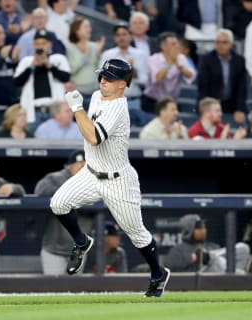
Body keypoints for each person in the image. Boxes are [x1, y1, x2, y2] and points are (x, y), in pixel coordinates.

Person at [50, 58, 171, 297]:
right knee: (58, 203)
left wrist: (76, 108)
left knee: (137, 235)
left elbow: (94, 137)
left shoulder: (118, 108)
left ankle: (158, 273)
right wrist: (80, 109)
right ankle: (82, 242)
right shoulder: (96, 96)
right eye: (102, 76)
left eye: (110, 78)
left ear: (122, 85)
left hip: (118, 180)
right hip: (91, 172)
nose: (103, 81)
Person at [34, 149, 94, 275]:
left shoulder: (95, 181)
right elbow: (40, 190)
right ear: (69, 166)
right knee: (53, 290)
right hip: (54, 251)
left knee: (75, 291)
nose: (84, 167)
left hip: (79, 251)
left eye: (87, 164)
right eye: (80, 164)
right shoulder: (56, 178)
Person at [164, 214, 252, 274]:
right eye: (200, 228)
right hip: (201, 280)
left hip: (222, 277)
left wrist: (206, 258)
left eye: (204, 227)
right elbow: (173, 273)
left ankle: (208, 257)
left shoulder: (212, 246)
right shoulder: (177, 251)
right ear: (188, 230)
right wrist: (200, 263)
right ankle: (243, 275)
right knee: (214, 260)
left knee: (244, 248)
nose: (204, 230)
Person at [197, 28, 248, 124]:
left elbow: (242, 87)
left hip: (231, 104)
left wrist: (240, 109)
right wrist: (209, 108)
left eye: (224, 42)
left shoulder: (239, 61)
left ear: (231, 44)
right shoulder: (206, 60)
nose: (220, 46)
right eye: (218, 42)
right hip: (211, 101)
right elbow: (203, 86)